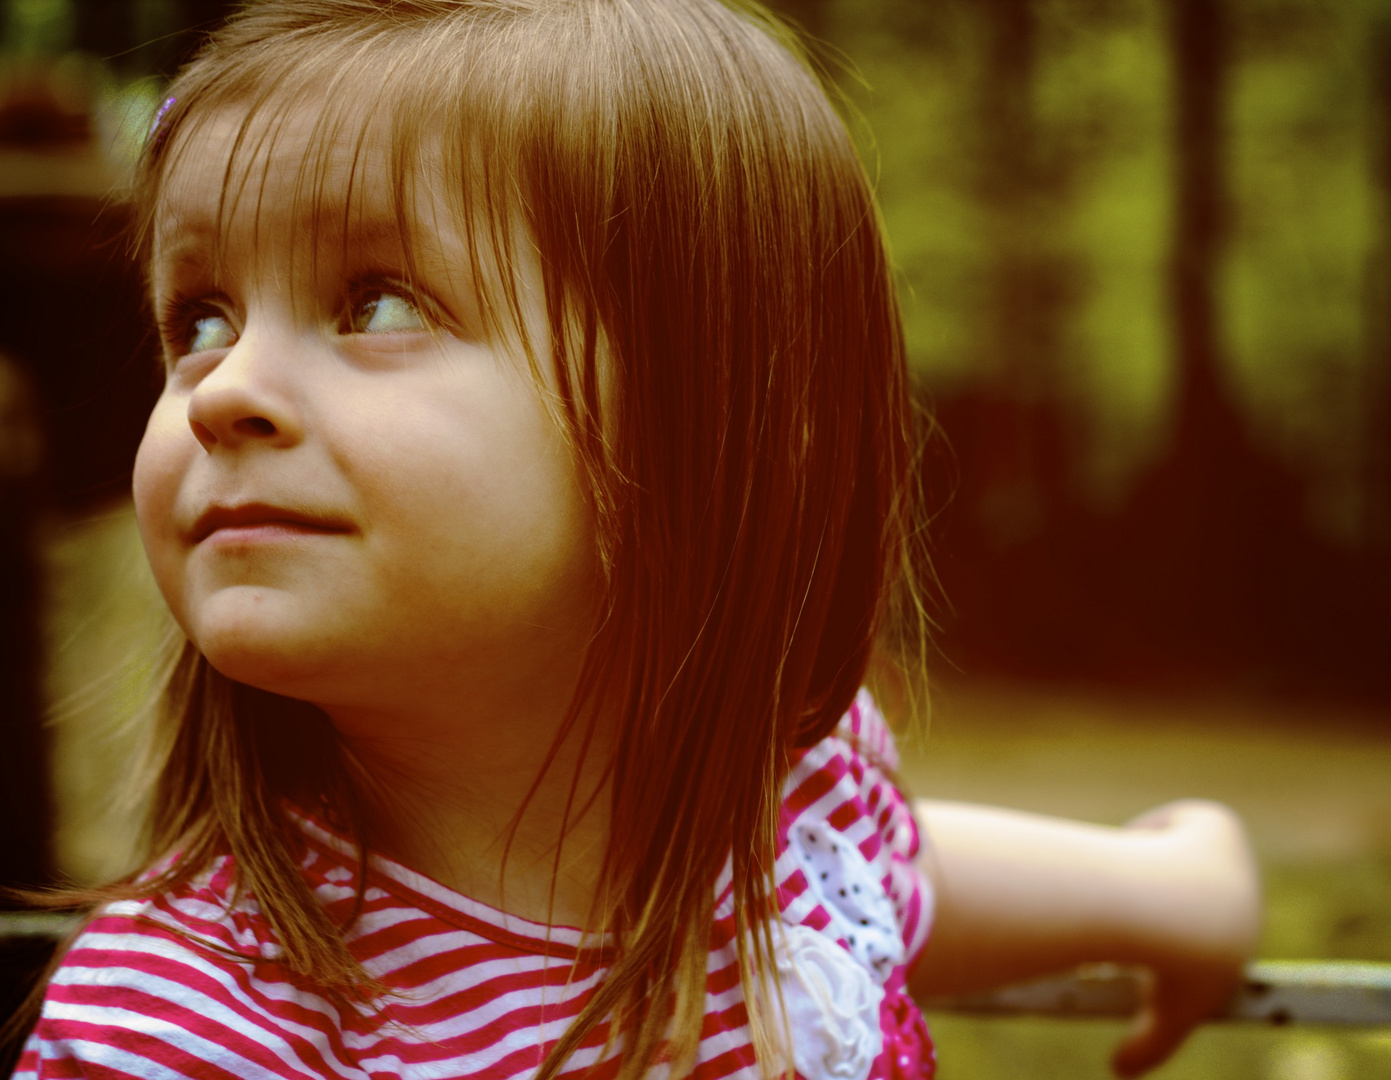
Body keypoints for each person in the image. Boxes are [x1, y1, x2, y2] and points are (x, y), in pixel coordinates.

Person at [13, 2, 1260, 1078]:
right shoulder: (195, 1026)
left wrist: (1174, 894)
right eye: (201, 317)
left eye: (376, 303)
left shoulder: (780, 814)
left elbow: (893, 882)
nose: (222, 390)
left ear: (703, 424)